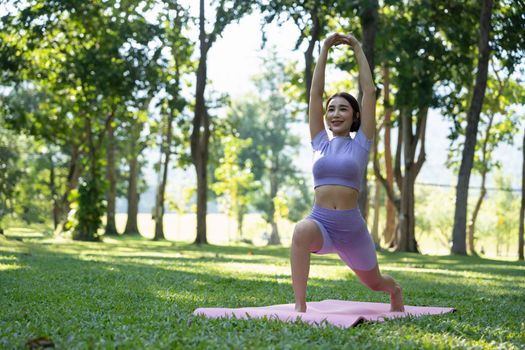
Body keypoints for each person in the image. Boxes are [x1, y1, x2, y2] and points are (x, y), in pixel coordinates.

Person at [290, 33, 404, 313]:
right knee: (301, 230)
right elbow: (315, 94)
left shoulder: (362, 143)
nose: (335, 113)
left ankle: (395, 291)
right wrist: (325, 47)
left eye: (343, 109)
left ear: (355, 116)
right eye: (331, 109)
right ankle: (300, 306)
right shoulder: (319, 142)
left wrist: (357, 47)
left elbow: (370, 91)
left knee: (375, 282)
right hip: (321, 224)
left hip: (351, 230)